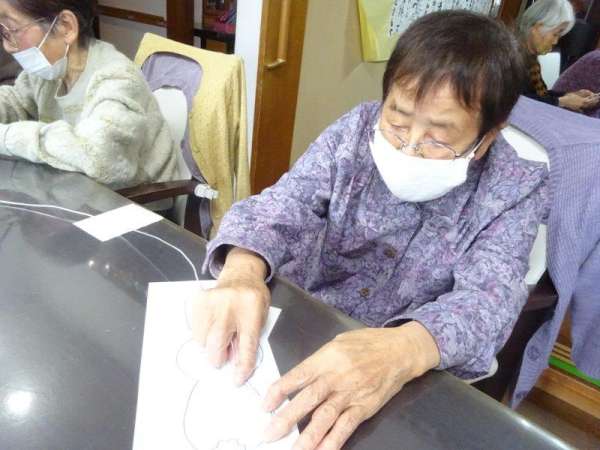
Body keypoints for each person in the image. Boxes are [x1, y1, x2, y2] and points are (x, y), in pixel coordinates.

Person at [194, 10, 549, 450]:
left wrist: (403, 349)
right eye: (397, 121)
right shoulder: (357, 130)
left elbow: (489, 301)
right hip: (302, 322)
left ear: (488, 137)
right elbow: (285, 202)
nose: (410, 146)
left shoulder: (515, 185)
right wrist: (243, 269)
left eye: (439, 137)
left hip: (403, 374)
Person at [0, 0, 181, 189]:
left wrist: (6, 137)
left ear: (65, 27)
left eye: (11, 30)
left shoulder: (117, 78)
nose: (7, 46)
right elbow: (15, 101)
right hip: (79, 189)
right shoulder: (47, 72)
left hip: (136, 199)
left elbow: (101, 159)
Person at [517, 0, 600, 112]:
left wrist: (569, 95)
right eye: (555, 34)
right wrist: (562, 101)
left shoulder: (531, 59)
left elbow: (539, 96)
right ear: (537, 28)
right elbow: (518, 100)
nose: (555, 41)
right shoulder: (511, 59)